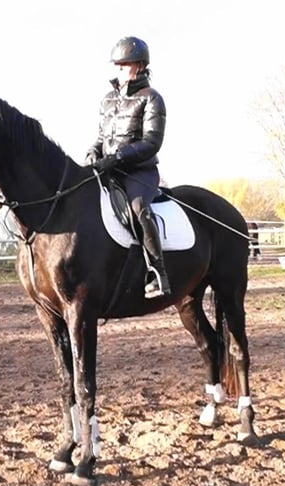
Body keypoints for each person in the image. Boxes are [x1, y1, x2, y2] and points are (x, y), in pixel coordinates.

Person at [86, 36, 171, 299]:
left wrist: (119, 157)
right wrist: (92, 153)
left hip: (140, 172)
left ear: (140, 66)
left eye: (124, 64)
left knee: (139, 209)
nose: (119, 69)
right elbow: (101, 138)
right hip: (109, 169)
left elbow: (151, 142)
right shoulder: (107, 100)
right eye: (117, 65)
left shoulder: (152, 99)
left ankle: (157, 273)